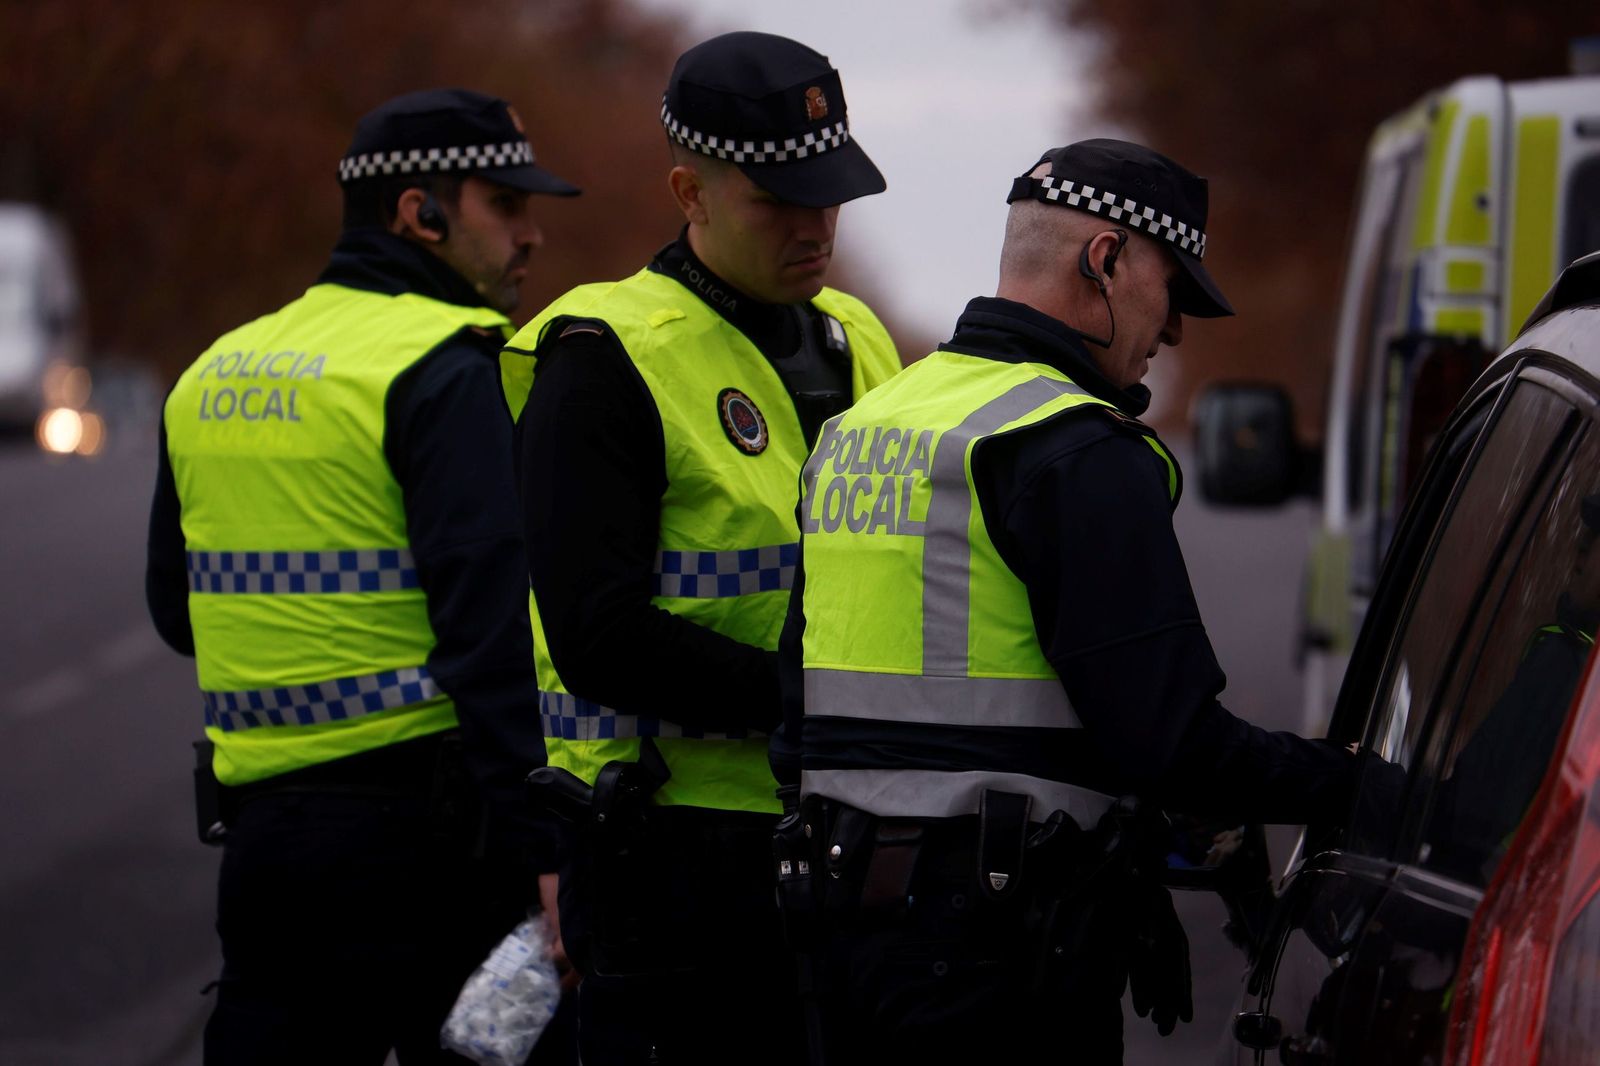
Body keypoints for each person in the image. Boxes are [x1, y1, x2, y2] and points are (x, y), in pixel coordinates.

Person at [772, 139, 1362, 1064]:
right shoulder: (1074, 448)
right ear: (1108, 260)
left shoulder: (859, 432)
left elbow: (793, 716)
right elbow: (1172, 743)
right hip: (995, 966)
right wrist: (1363, 785)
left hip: (840, 945)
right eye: (1172, 292)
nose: (1173, 333)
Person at [146, 88, 580, 1065]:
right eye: (503, 206)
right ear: (418, 213)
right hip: (432, 848)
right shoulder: (442, 366)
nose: (533, 236)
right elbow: (490, 636)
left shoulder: (214, 369)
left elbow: (178, 611)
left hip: (265, 841)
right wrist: (546, 848)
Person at [500, 31, 901, 1066]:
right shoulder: (603, 356)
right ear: (690, 190)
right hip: (668, 857)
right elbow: (597, 635)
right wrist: (815, 698)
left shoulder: (858, 338)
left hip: (843, 831)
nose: (816, 225)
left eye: (830, 194)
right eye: (780, 200)